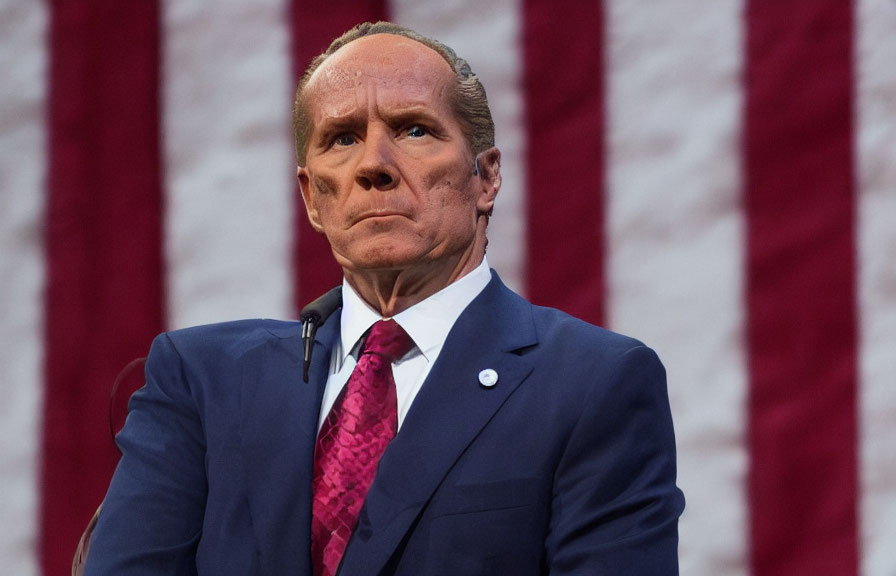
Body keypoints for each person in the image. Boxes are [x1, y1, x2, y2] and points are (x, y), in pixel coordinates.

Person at [84, 21, 684, 576]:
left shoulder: (592, 384)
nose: (373, 165)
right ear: (313, 197)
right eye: (342, 139)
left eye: (413, 129)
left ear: (487, 176)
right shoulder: (200, 380)